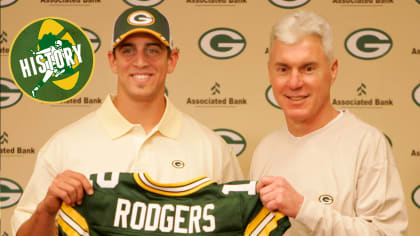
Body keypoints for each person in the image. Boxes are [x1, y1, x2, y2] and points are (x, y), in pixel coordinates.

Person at [12, 6, 243, 236]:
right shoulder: (64, 146)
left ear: (172, 59)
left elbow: (238, 228)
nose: (140, 62)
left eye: (152, 50)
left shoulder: (213, 149)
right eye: (128, 50)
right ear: (113, 60)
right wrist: (47, 210)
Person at [249, 10, 408, 235]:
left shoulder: (367, 144)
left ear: (333, 70)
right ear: (270, 73)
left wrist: (303, 209)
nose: (294, 82)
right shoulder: (265, 149)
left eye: (308, 68)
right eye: (283, 69)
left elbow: (386, 233)